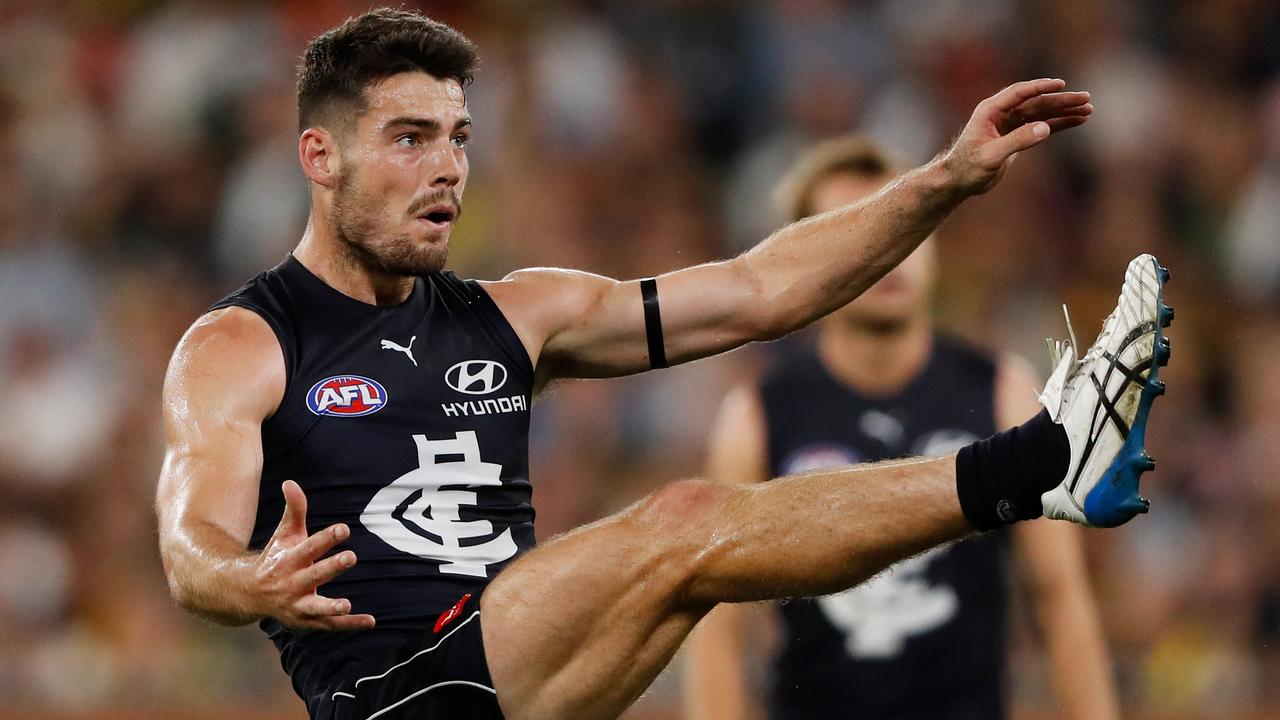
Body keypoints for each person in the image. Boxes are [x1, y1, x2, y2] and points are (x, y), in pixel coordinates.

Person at [155, 9, 1170, 720]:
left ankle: (1044, 466)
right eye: (409, 139)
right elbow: (186, 540)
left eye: (458, 139)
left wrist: (943, 180)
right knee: (685, 524)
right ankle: (1040, 464)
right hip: (391, 695)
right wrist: (246, 576)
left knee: (694, 559)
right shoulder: (244, 341)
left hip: (514, 673)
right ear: (318, 156)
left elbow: (758, 290)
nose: (447, 169)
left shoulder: (519, 315)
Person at [683, 136, 1120, 720]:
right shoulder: (756, 418)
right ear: (802, 266)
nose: (889, 253)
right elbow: (717, 626)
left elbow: (1060, 599)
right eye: (856, 233)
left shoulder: (1004, 396)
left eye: (906, 224)